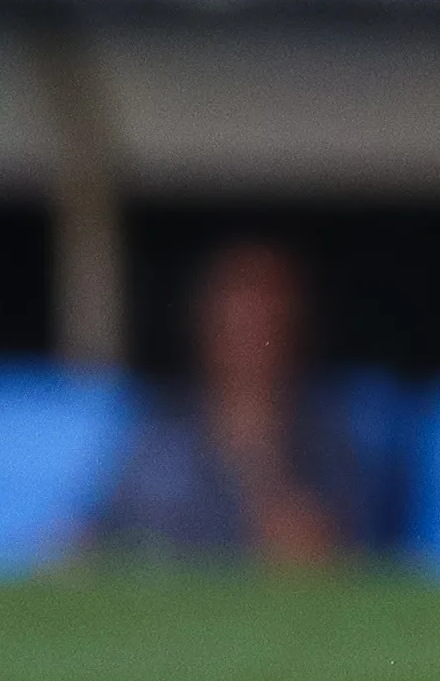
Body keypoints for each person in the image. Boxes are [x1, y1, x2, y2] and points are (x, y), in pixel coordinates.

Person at [101, 239, 354, 565]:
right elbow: (104, 535)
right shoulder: (161, 430)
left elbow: (355, 554)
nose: (249, 336)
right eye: (235, 318)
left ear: (294, 326)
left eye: (265, 317)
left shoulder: (333, 437)